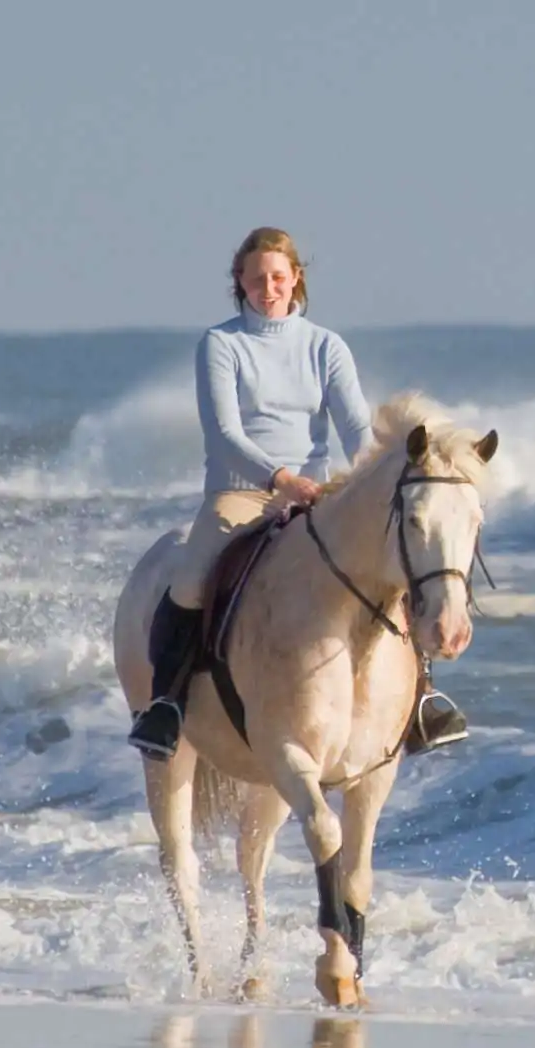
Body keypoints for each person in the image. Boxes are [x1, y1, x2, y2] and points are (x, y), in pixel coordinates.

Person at [128, 227, 464, 758]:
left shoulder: (325, 346)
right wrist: (280, 479)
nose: (269, 288)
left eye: (279, 277)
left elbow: (356, 430)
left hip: (316, 494)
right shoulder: (222, 344)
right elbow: (225, 434)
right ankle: (165, 707)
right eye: (257, 278)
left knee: (392, 571)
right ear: (239, 281)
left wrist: (369, 476)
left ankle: (420, 700)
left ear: (296, 279)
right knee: (191, 582)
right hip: (240, 495)